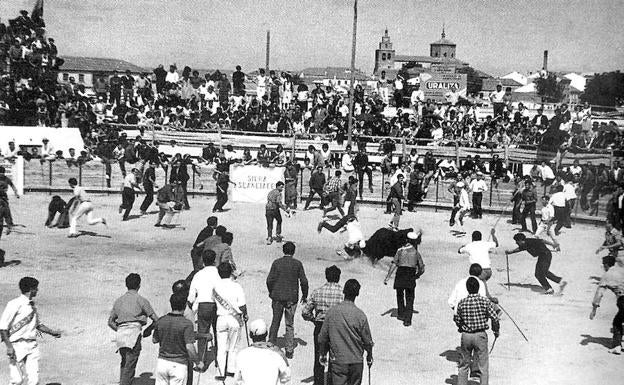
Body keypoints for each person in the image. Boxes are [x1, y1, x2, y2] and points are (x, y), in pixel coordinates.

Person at [0, 277, 61, 385]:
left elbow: (38, 325)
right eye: (36, 288)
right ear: (31, 289)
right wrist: (9, 347)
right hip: (16, 346)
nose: (37, 290)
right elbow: (3, 327)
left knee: (34, 380)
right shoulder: (14, 304)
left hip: (32, 345)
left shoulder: (32, 306)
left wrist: (52, 332)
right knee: (17, 380)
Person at [318, 279, 374, 385]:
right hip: (356, 362)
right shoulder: (360, 315)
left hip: (338, 361)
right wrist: (369, 356)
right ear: (357, 294)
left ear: (344, 291)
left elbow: (322, 338)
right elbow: (368, 341)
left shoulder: (332, 312)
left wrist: (322, 354)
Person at [108, 273, 159, 385]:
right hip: (134, 333)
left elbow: (110, 322)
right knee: (130, 365)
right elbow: (156, 319)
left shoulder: (119, 301)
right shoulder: (141, 300)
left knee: (125, 362)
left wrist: (120, 329)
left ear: (126, 285)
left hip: (121, 334)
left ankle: (123, 381)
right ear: (139, 285)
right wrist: (148, 330)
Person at [453, 277, 500, 385]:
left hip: (466, 335)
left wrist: (461, 327)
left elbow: (457, 318)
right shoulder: (485, 301)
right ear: (478, 288)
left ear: (467, 288)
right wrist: (496, 331)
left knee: (464, 365)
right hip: (480, 335)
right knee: (483, 366)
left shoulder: (462, 302)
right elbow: (495, 317)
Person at [301, 265, 343, 385]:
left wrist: (313, 319)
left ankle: (318, 382)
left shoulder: (317, 292)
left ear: (326, 276)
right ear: (338, 277)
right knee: (334, 358)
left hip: (320, 327)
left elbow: (305, 312)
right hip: (336, 328)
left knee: (319, 357)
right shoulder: (342, 294)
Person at [266, 242, 309, 359]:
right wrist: (305, 295)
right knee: (289, 324)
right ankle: (289, 350)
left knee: (275, 321)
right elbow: (304, 282)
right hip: (291, 298)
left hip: (277, 297)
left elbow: (269, 280)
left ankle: (271, 344)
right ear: (293, 251)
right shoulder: (297, 264)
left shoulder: (276, 263)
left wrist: (272, 292)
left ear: (283, 251)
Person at [152, 293, 203, 385]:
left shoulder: (161, 321)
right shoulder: (187, 324)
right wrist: (198, 362)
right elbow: (189, 347)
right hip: (179, 365)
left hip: (162, 363)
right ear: (185, 306)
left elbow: (154, 340)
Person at [213, 262, 248, 379]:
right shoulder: (237, 286)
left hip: (221, 318)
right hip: (234, 319)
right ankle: (231, 370)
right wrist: (246, 315)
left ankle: (220, 372)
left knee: (221, 347)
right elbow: (242, 305)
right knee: (233, 346)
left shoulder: (215, 286)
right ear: (231, 273)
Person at [383, 231, 425, 327]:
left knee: (399, 294)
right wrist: (417, 275)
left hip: (401, 273)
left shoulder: (400, 250)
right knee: (410, 298)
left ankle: (401, 314)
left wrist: (387, 277)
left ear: (407, 240)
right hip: (410, 274)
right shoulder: (416, 253)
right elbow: (422, 268)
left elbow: (394, 264)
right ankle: (407, 320)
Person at [187, 250, 220, 367]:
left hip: (203, 306)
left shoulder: (198, 275)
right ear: (215, 260)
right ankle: (219, 361)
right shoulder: (219, 273)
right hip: (218, 305)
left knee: (203, 334)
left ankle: (201, 363)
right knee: (219, 333)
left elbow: (191, 297)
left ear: (203, 260)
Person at [234, 319, 291, 385]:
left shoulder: (241, 355)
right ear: (266, 334)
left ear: (250, 335)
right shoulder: (277, 354)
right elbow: (286, 378)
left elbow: (237, 380)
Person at [589, 255, 624, 354]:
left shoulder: (606, 276)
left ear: (606, 265)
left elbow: (599, 294)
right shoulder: (621, 270)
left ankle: (617, 346)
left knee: (617, 323)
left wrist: (594, 310)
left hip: (623, 300)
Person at [0, 165, 20, 237]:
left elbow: (12, 185)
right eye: (0, 173)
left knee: (6, 212)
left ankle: (9, 225)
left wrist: (16, 193)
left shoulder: (6, 179)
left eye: (2, 173)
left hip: (4, 198)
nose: (1, 174)